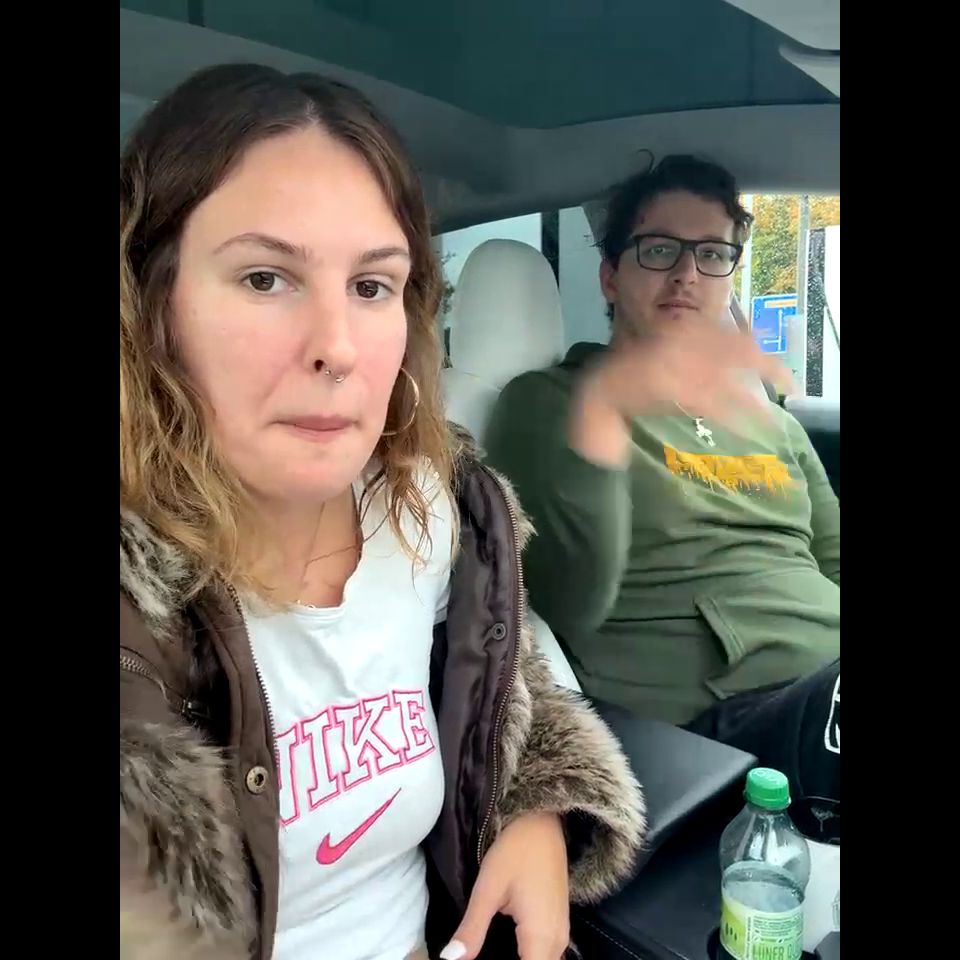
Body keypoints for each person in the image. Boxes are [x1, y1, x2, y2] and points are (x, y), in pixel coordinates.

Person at [119, 64, 645, 960]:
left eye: (372, 287)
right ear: (151, 305)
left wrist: (540, 813)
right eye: (265, 278)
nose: (337, 347)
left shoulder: (430, 511)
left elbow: (512, 688)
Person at [484, 155, 839, 821]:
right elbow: (563, 592)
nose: (686, 274)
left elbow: (835, 556)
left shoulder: (770, 420)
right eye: (658, 250)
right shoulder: (551, 402)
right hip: (719, 720)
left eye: (712, 254)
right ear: (610, 276)